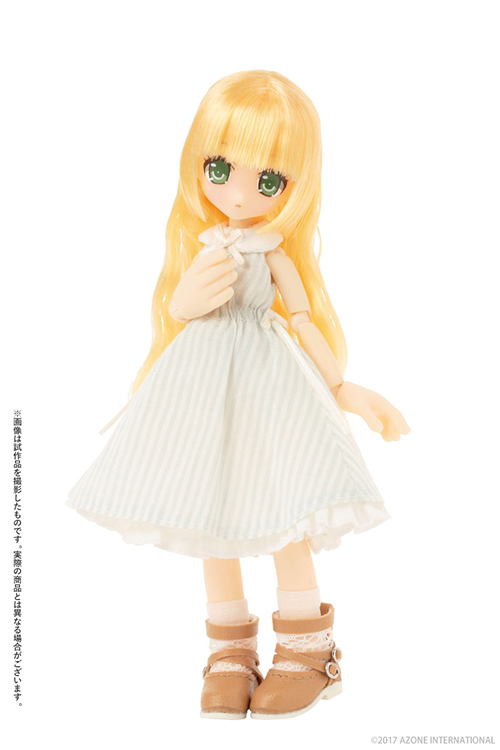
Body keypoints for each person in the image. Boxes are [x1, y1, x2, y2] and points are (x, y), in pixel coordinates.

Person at [67, 69, 410, 720]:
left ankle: (308, 650)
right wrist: (186, 300)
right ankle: (229, 652)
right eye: (219, 168)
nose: (239, 191)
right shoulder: (201, 248)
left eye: (268, 180)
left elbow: (301, 318)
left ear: (293, 185)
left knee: (283, 503)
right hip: (201, 387)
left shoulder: (273, 253)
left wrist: (342, 387)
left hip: (269, 385)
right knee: (209, 513)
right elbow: (182, 310)